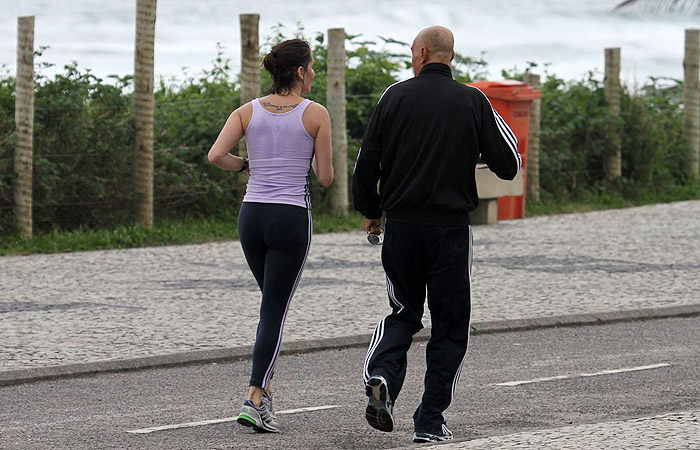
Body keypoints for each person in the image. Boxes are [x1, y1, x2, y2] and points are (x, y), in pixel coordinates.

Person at [352, 26, 521, 443]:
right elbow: (511, 163)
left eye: (412, 52)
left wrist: (372, 212)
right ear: (450, 57)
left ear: (423, 52)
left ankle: (381, 376)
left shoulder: (393, 96)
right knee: (450, 323)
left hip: (402, 227)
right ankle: (429, 419)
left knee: (403, 311)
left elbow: (365, 165)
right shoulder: (473, 100)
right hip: (449, 230)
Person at [208, 38, 333, 433]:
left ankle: (265, 395)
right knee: (273, 311)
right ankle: (254, 397)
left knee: (270, 307)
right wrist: (309, 156)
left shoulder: (246, 111)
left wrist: (247, 163)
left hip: (252, 216)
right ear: (299, 72)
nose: (314, 73)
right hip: (290, 217)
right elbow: (326, 177)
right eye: (312, 67)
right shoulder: (316, 115)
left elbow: (215, 156)